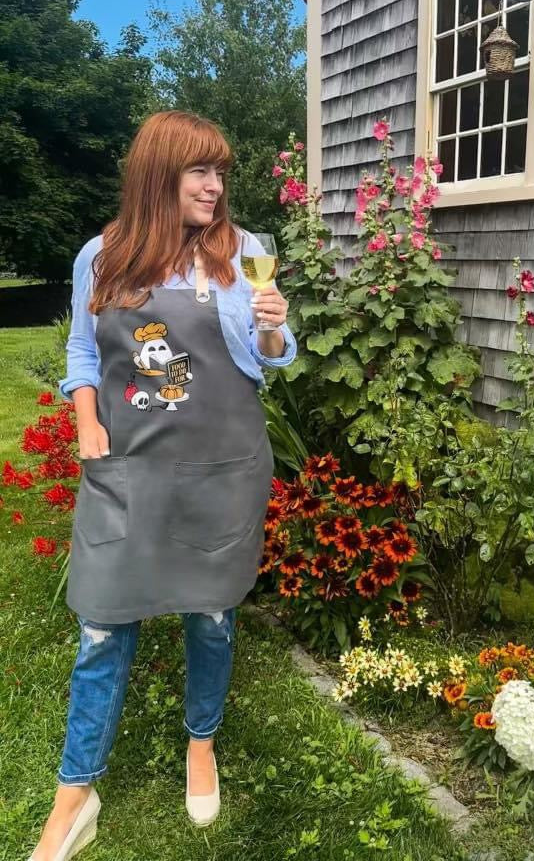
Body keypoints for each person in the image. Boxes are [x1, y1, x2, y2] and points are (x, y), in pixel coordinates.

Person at [29, 110, 297, 861]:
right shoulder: (103, 256)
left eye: (221, 173)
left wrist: (273, 325)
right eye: (199, 171)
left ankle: (201, 743)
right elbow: (83, 350)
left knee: (211, 616)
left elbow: (269, 354)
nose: (215, 187)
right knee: (103, 622)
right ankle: (74, 794)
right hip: (131, 469)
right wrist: (86, 422)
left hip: (222, 465)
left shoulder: (242, 253)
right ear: (158, 173)